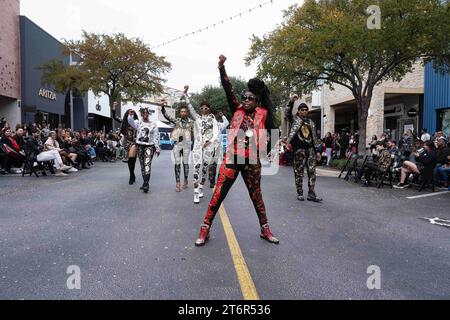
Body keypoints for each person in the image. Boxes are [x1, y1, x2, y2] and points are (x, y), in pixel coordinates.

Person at [195, 54, 279, 247]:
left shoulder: (264, 114)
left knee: (256, 195)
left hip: (252, 161)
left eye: (250, 98)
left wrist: (265, 152)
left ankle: (265, 229)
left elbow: (273, 133)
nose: (246, 100)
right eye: (244, 98)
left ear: (257, 100)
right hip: (232, 158)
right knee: (218, 194)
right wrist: (221, 68)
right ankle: (205, 228)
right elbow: (228, 89)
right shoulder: (237, 109)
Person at [182, 87, 220, 204]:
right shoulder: (197, 118)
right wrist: (185, 95)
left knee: (205, 169)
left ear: (208, 109)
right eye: (202, 108)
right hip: (198, 145)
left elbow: (216, 131)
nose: (203, 109)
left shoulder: (212, 118)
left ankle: (201, 186)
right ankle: (196, 192)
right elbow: (190, 107)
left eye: (206, 108)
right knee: (197, 166)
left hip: (208, 146)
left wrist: (210, 141)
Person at [283, 100, 322, 202]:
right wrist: (291, 101)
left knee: (312, 172)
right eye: (302, 110)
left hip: (310, 150)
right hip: (299, 150)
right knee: (299, 172)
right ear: (299, 111)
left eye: (306, 110)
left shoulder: (311, 122)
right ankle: (300, 192)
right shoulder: (295, 120)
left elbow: (315, 137)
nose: (304, 111)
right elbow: (287, 113)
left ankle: (311, 193)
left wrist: (318, 151)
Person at [161, 99, 194, 192]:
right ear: (180, 113)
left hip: (187, 146)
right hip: (177, 145)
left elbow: (196, 133)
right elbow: (167, 116)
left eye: (184, 111)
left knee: (186, 164)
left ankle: (186, 179)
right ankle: (178, 183)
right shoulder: (177, 121)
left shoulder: (191, 122)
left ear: (187, 113)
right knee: (177, 163)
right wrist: (162, 107)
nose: (183, 113)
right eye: (181, 111)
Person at [128, 106, 160, 193]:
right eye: (144, 113)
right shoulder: (138, 123)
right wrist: (131, 115)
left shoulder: (153, 125)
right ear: (142, 114)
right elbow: (130, 122)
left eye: (147, 113)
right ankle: (145, 182)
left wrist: (157, 148)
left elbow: (156, 137)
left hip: (149, 146)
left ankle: (146, 184)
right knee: (142, 166)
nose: (145, 114)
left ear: (148, 114)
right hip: (139, 146)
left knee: (147, 165)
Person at [112, 102, 139, 185]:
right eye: (130, 112)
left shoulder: (136, 122)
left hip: (134, 142)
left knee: (131, 158)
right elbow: (114, 117)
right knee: (130, 160)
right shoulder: (124, 122)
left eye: (133, 112)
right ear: (127, 114)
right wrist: (114, 108)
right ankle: (132, 174)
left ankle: (131, 176)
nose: (131, 113)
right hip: (126, 142)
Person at [209, 111, 229, 188]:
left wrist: (223, 116)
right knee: (211, 165)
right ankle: (212, 180)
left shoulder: (219, 125)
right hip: (210, 148)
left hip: (218, 148)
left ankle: (217, 180)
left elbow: (226, 123)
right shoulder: (206, 126)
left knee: (218, 165)